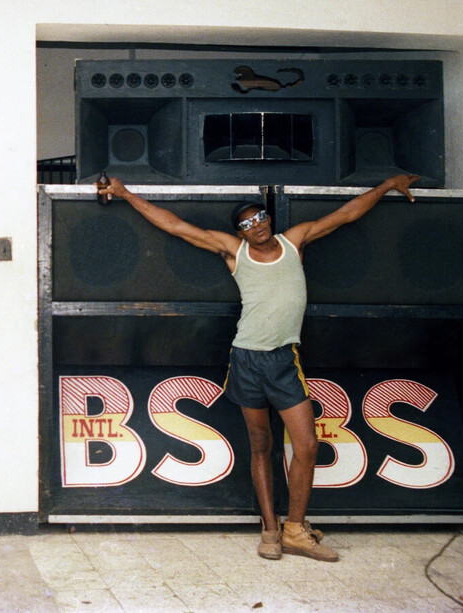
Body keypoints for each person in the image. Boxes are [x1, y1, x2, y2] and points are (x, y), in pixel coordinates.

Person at [97, 174, 420, 562]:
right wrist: (125, 193)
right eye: (247, 223)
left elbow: (347, 214)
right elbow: (175, 225)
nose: (257, 225)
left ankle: (296, 530)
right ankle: (270, 529)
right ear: (241, 232)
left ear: (269, 219)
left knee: (306, 445)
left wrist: (387, 186)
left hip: (284, 359)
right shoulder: (234, 252)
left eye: (260, 217)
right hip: (246, 359)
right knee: (261, 444)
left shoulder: (294, 241)